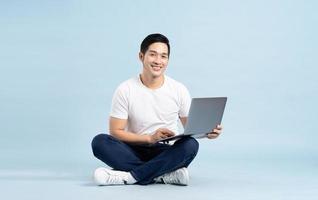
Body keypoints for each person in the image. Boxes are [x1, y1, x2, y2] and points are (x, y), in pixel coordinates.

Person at [91, 33, 222, 186]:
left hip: (166, 151)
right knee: (99, 142)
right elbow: (115, 131)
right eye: (153, 55)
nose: (158, 61)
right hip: (134, 148)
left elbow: (191, 129)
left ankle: (129, 177)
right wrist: (149, 138)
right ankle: (163, 175)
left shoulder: (178, 89)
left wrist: (208, 133)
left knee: (191, 145)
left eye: (163, 56)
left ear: (168, 60)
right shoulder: (125, 89)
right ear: (141, 56)